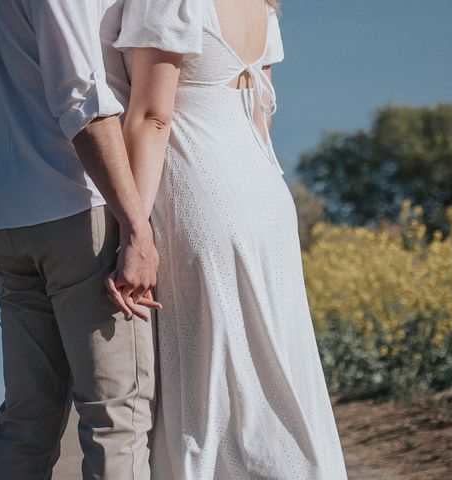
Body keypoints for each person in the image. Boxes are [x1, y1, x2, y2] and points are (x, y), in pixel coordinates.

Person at [115, 0, 349, 478]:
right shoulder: (263, 5)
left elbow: (152, 117)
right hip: (266, 194)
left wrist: (131, 233)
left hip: (202, 194)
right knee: (276, 373)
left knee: (208, 384)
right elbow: (261, 113)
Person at [0, 1, 161, 478]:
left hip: (10, 220)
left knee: (28, 419)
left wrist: (26, 167)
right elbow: (84, 98)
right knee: (117, 416)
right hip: (81, 215)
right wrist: (136, 225)